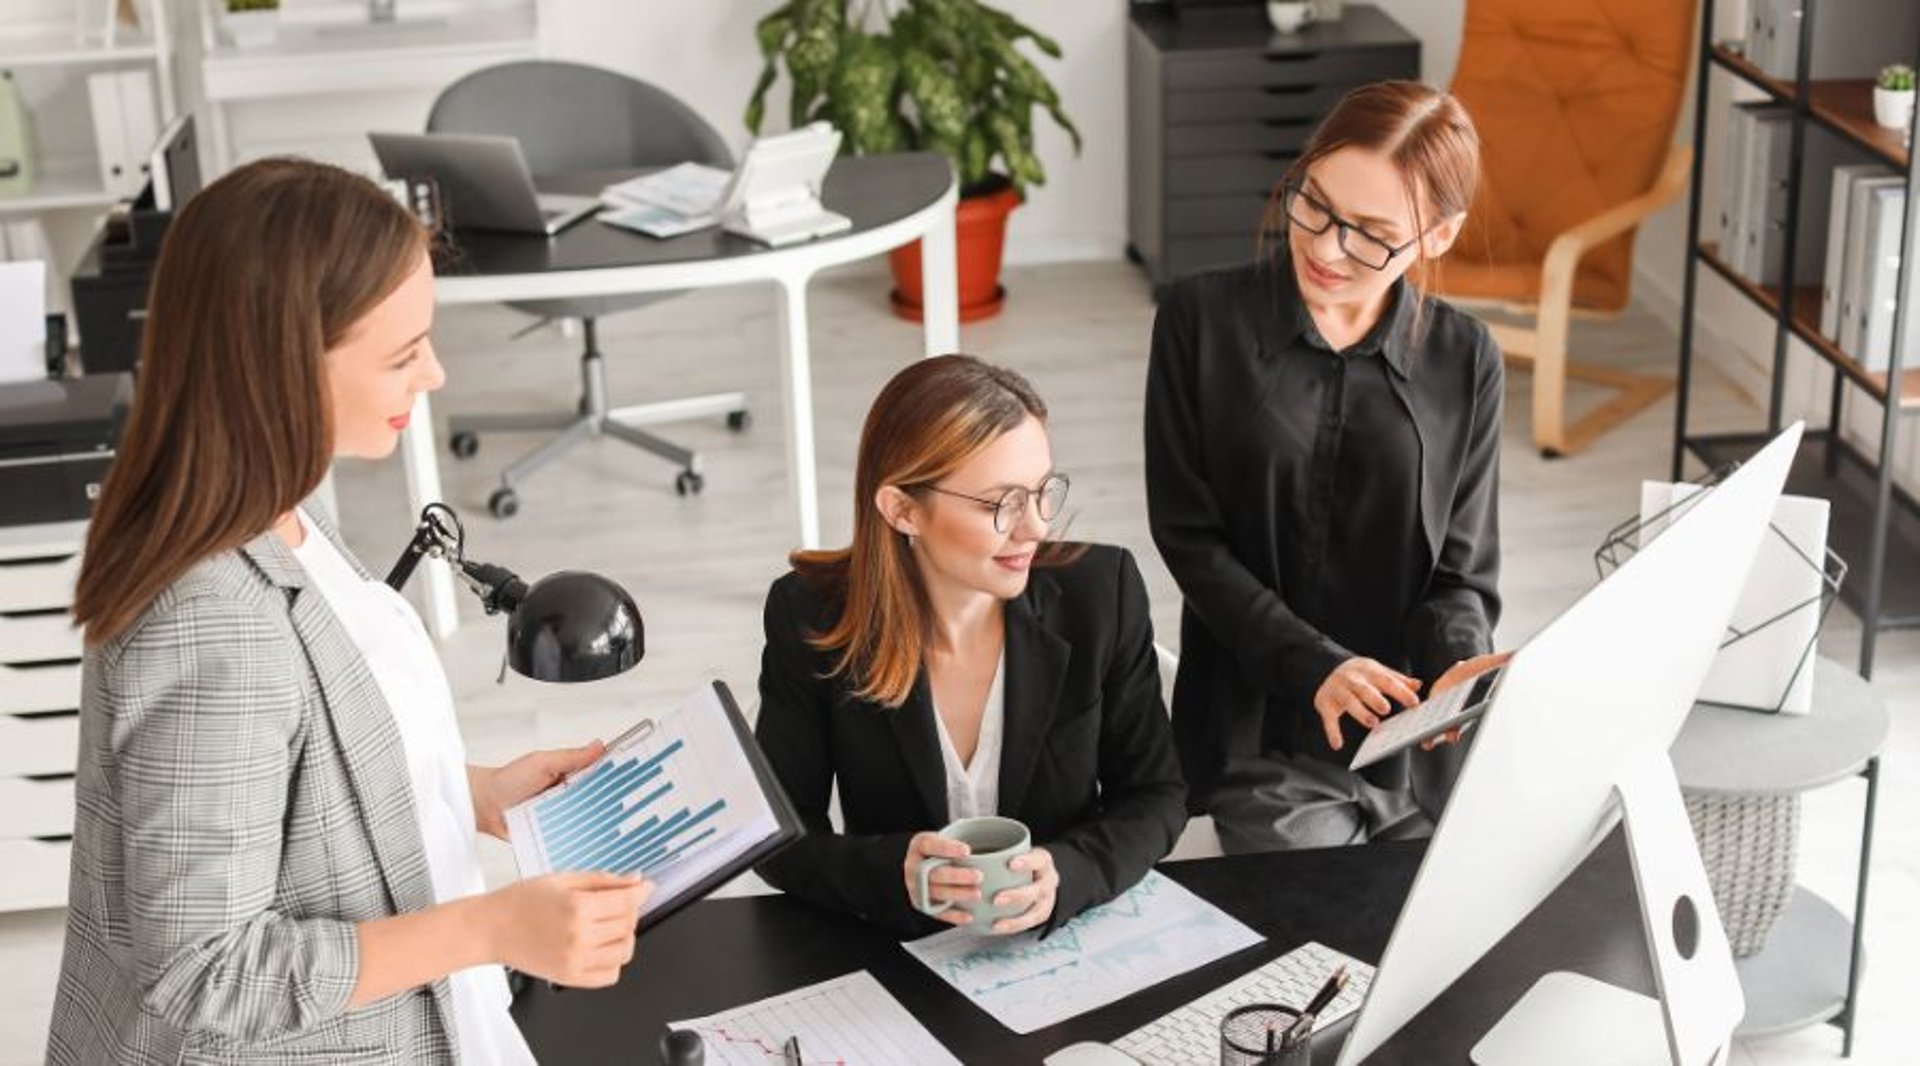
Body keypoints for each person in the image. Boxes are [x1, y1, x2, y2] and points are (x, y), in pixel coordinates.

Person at [52, 159, 647, 1065]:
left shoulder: (283, 503)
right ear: (282, 366)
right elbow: (201, 967)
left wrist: (466, 793)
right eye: (404, 355)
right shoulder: (213, 621)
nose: (437, 374)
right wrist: (490, 928)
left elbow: (305, 754)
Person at [1145, 81, 1507, 853]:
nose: (1326, 247)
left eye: (1371, 235)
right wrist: (1316, 666)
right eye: (1315, 204)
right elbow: (1190, 541)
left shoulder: (1466, 359)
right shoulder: (1196, 322)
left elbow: (1461, 574)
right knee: (1322, 943)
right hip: (1264, 742)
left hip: (1418, 751)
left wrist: (1456, 673)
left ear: (1437, 238)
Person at [754, 355, 1186, 937]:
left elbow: (1156, 796)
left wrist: (1069, 874)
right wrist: (892, 875)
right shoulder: (808, 615)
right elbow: (777, 836)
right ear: (903, 510)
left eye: (1041, 492)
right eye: (1002, 503)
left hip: (1062, 945)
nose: (1035, 526)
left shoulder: (1101, 593)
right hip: (898, 957)